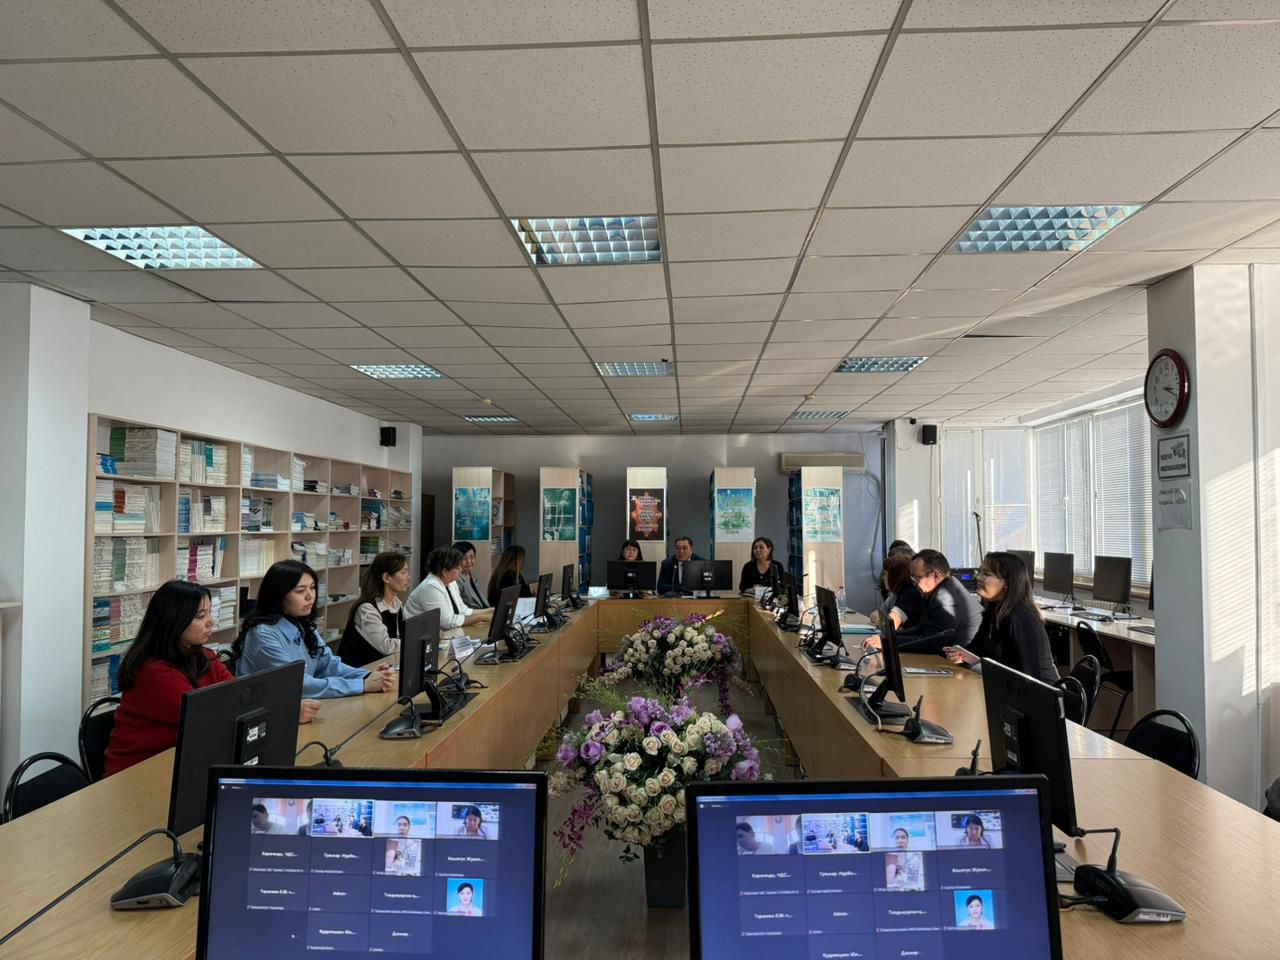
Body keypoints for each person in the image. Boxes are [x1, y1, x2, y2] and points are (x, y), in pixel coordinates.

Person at [104, 580, 320, 777]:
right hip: (140, 772)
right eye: (200, 616)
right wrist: (287, 711)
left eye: (209, 613)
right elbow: (211, 719)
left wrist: (285, 707)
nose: (210, 622)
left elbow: (241, 697)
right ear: (173, 621)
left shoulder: (203, 656)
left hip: (186, 761)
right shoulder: (154, 672)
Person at [234, 559, 395, 698]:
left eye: (312, 588)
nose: (310, 596)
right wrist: (362, 685)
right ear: (278, 595)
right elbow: (298, 684)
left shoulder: (301, 624)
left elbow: (330, 665)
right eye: (300, 591)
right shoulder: (263, 634)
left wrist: (369, 676)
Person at [947, 552, 1059, 684]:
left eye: (986, 574)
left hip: (1037, 692)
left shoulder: (1020, 618)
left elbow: (1029, 674)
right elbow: (976, 650)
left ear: (1007, 583)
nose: (979, 578)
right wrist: (961, 655)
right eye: (980, 572)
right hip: (1006, 685)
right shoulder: (993, 612)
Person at [893, 550, 983, 655]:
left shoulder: (945, 599)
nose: (914, 583)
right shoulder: (942, 589)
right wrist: (892, 636)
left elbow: (933, 644)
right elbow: (921, 629)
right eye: (912, 578)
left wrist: (889, 642)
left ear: (936, 575)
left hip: (962, 661)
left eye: (917, 577)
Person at [337, 551, 410, 667]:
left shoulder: (396, 603)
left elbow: (404, 634)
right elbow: (387, 646)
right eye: (403, 572)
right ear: (386, 578)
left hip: (384, 666)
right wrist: (415, 642)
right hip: (360, 671)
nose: (408, 577)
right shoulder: (366, 609)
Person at [406, 546, 493, 638]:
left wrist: (490, 611)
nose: (461, 570)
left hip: (442, 635)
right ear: (444, 572)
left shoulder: (451, 582)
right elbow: (447, 622)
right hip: (417, 637)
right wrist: (481, 617)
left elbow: (463, 610)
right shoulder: (431, 587)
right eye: (457, 568)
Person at [870, 552, 915, 628]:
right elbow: (874, 615)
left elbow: (890, 625)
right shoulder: (894, 595)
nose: (883, 578)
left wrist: (881, 622)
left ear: (897, 577)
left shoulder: (910, 594)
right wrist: (881, 621)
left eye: (886, 574)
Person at [452, 540, 491, 610]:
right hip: (472, 614)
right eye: (464, 558)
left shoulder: (473, 575)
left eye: (472, 557)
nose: (469, 561)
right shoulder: (455, 579)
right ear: (456, 559)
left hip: (484, 611)